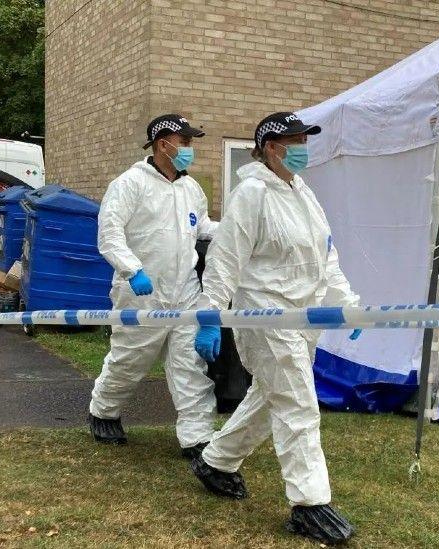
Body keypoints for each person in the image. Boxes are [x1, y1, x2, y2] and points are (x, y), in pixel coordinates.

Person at [190, 112, 362, 545]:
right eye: (295, 139)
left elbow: (326, 256)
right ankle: (310, 504)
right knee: (298, 404)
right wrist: (210, 315)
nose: (303, 146)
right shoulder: (250, 194)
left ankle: (216, 461)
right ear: (270, 147)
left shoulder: (302, 192)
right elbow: (225, 259)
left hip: (302, 319)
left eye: (305, 138)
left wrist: (346, 303)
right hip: (265, 318)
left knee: (272, 397)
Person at [88, 114, 219, 458]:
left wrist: (233, 232)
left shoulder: (190, 187)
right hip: (142, 295)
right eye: (185, 141)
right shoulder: (130, 183)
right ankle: (104, 411)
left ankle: (197, 437)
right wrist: (133, 270)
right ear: (164, 144)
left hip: (186, 293)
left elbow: (201, 225)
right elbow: (110, 233)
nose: (190, 149)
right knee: (129, 361)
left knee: (191, 366)